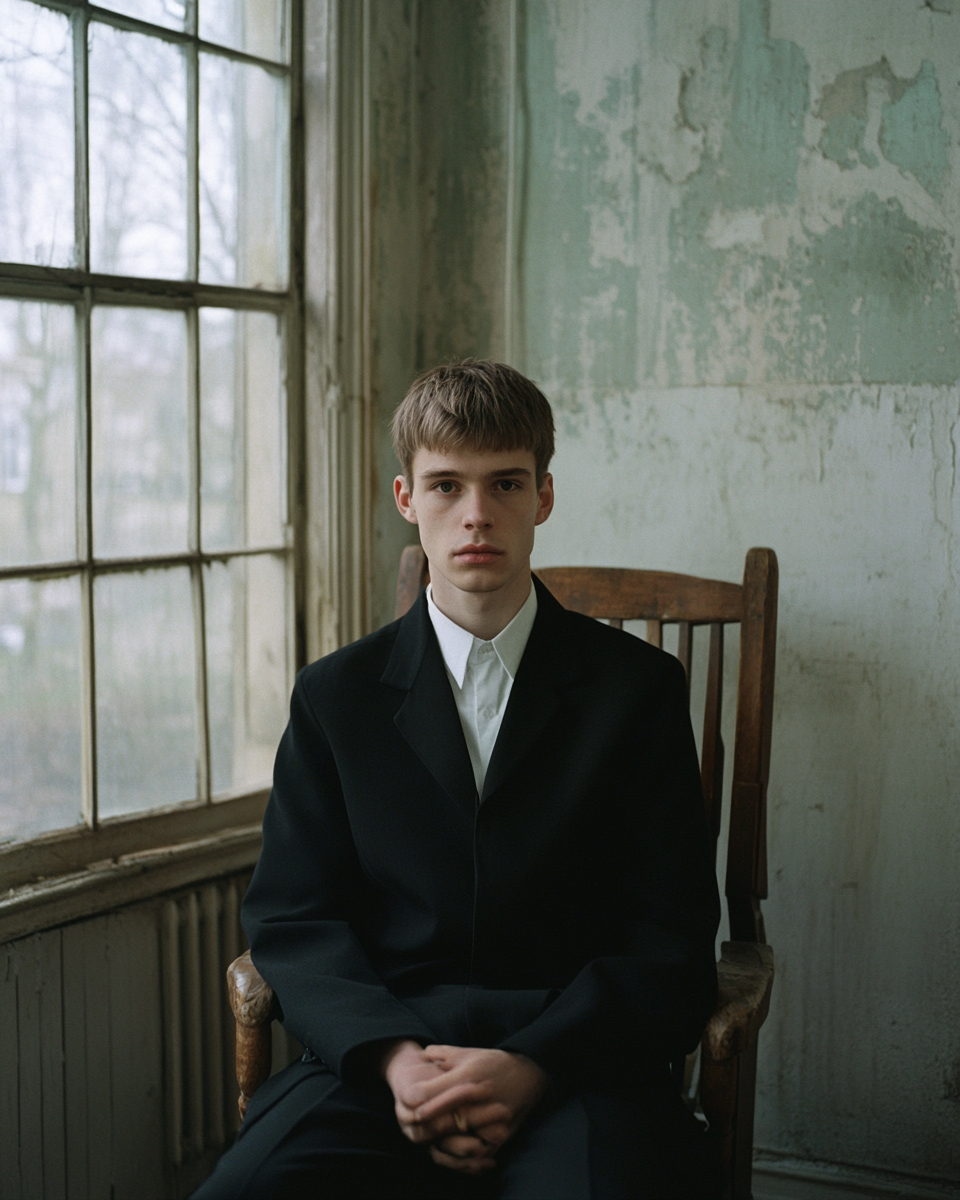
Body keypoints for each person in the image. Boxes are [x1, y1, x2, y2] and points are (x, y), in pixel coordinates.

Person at [193, 360, 720, 1199]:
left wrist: (532, 1066)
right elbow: (293, 918)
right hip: (380, 1061)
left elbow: (673, 936)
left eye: (505, 483)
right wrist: (398, 1063)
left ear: (544, 496)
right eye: (446, 486)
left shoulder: (639, 691)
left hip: (576, 1065)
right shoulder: (336, 696)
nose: (476, 515)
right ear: (406, 498)